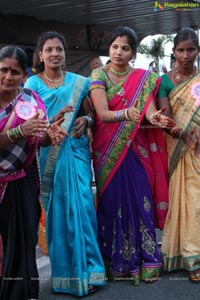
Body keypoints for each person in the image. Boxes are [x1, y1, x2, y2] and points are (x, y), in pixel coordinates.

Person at [89, 26, 176, 285]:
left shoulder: (142, 78)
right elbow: (102, 113)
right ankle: (114, 261)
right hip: (108, 151)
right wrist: (125, 114)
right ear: (109, 49)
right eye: (115, 46)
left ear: (133, 53)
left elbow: (147, 110)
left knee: (141, 199)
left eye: (125, 48)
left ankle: (147, 259)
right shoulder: (98, 74)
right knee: (111, 204)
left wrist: (155, 117)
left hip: (136, 151)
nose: (118, 52)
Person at [24, 31, 106, 296]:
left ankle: (92, 273)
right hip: (50, 152)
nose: (55, 54)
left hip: (77, 150)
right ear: (40, 55)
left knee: (83, 208)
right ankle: (65, 278)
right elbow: (30, 123)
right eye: (49, 50)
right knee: (58, 213)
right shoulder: (31, 86)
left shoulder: (79, 82)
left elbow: (91, 113)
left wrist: (88, 121)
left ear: (64, 53)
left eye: (59, 49)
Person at [0, 45, 71, 300]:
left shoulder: (29, 99)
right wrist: (20, 131)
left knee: (24, 238)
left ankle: (23, 292)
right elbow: (21, 133)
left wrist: (49, 133)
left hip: (24, 176)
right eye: (4, 70)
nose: (8, 77)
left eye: (15, 72)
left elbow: (38, 137)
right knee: (5, 242)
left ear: (24, 73)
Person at [158, 28, 200, 282]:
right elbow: (164, 116)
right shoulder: (165, 81)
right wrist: (184, 135)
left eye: (190, 50)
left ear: (197, 51)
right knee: (189, 202)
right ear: (173, 52)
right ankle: (191, 258)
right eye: (180, 50)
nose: (185, 55)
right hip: (179, 148)